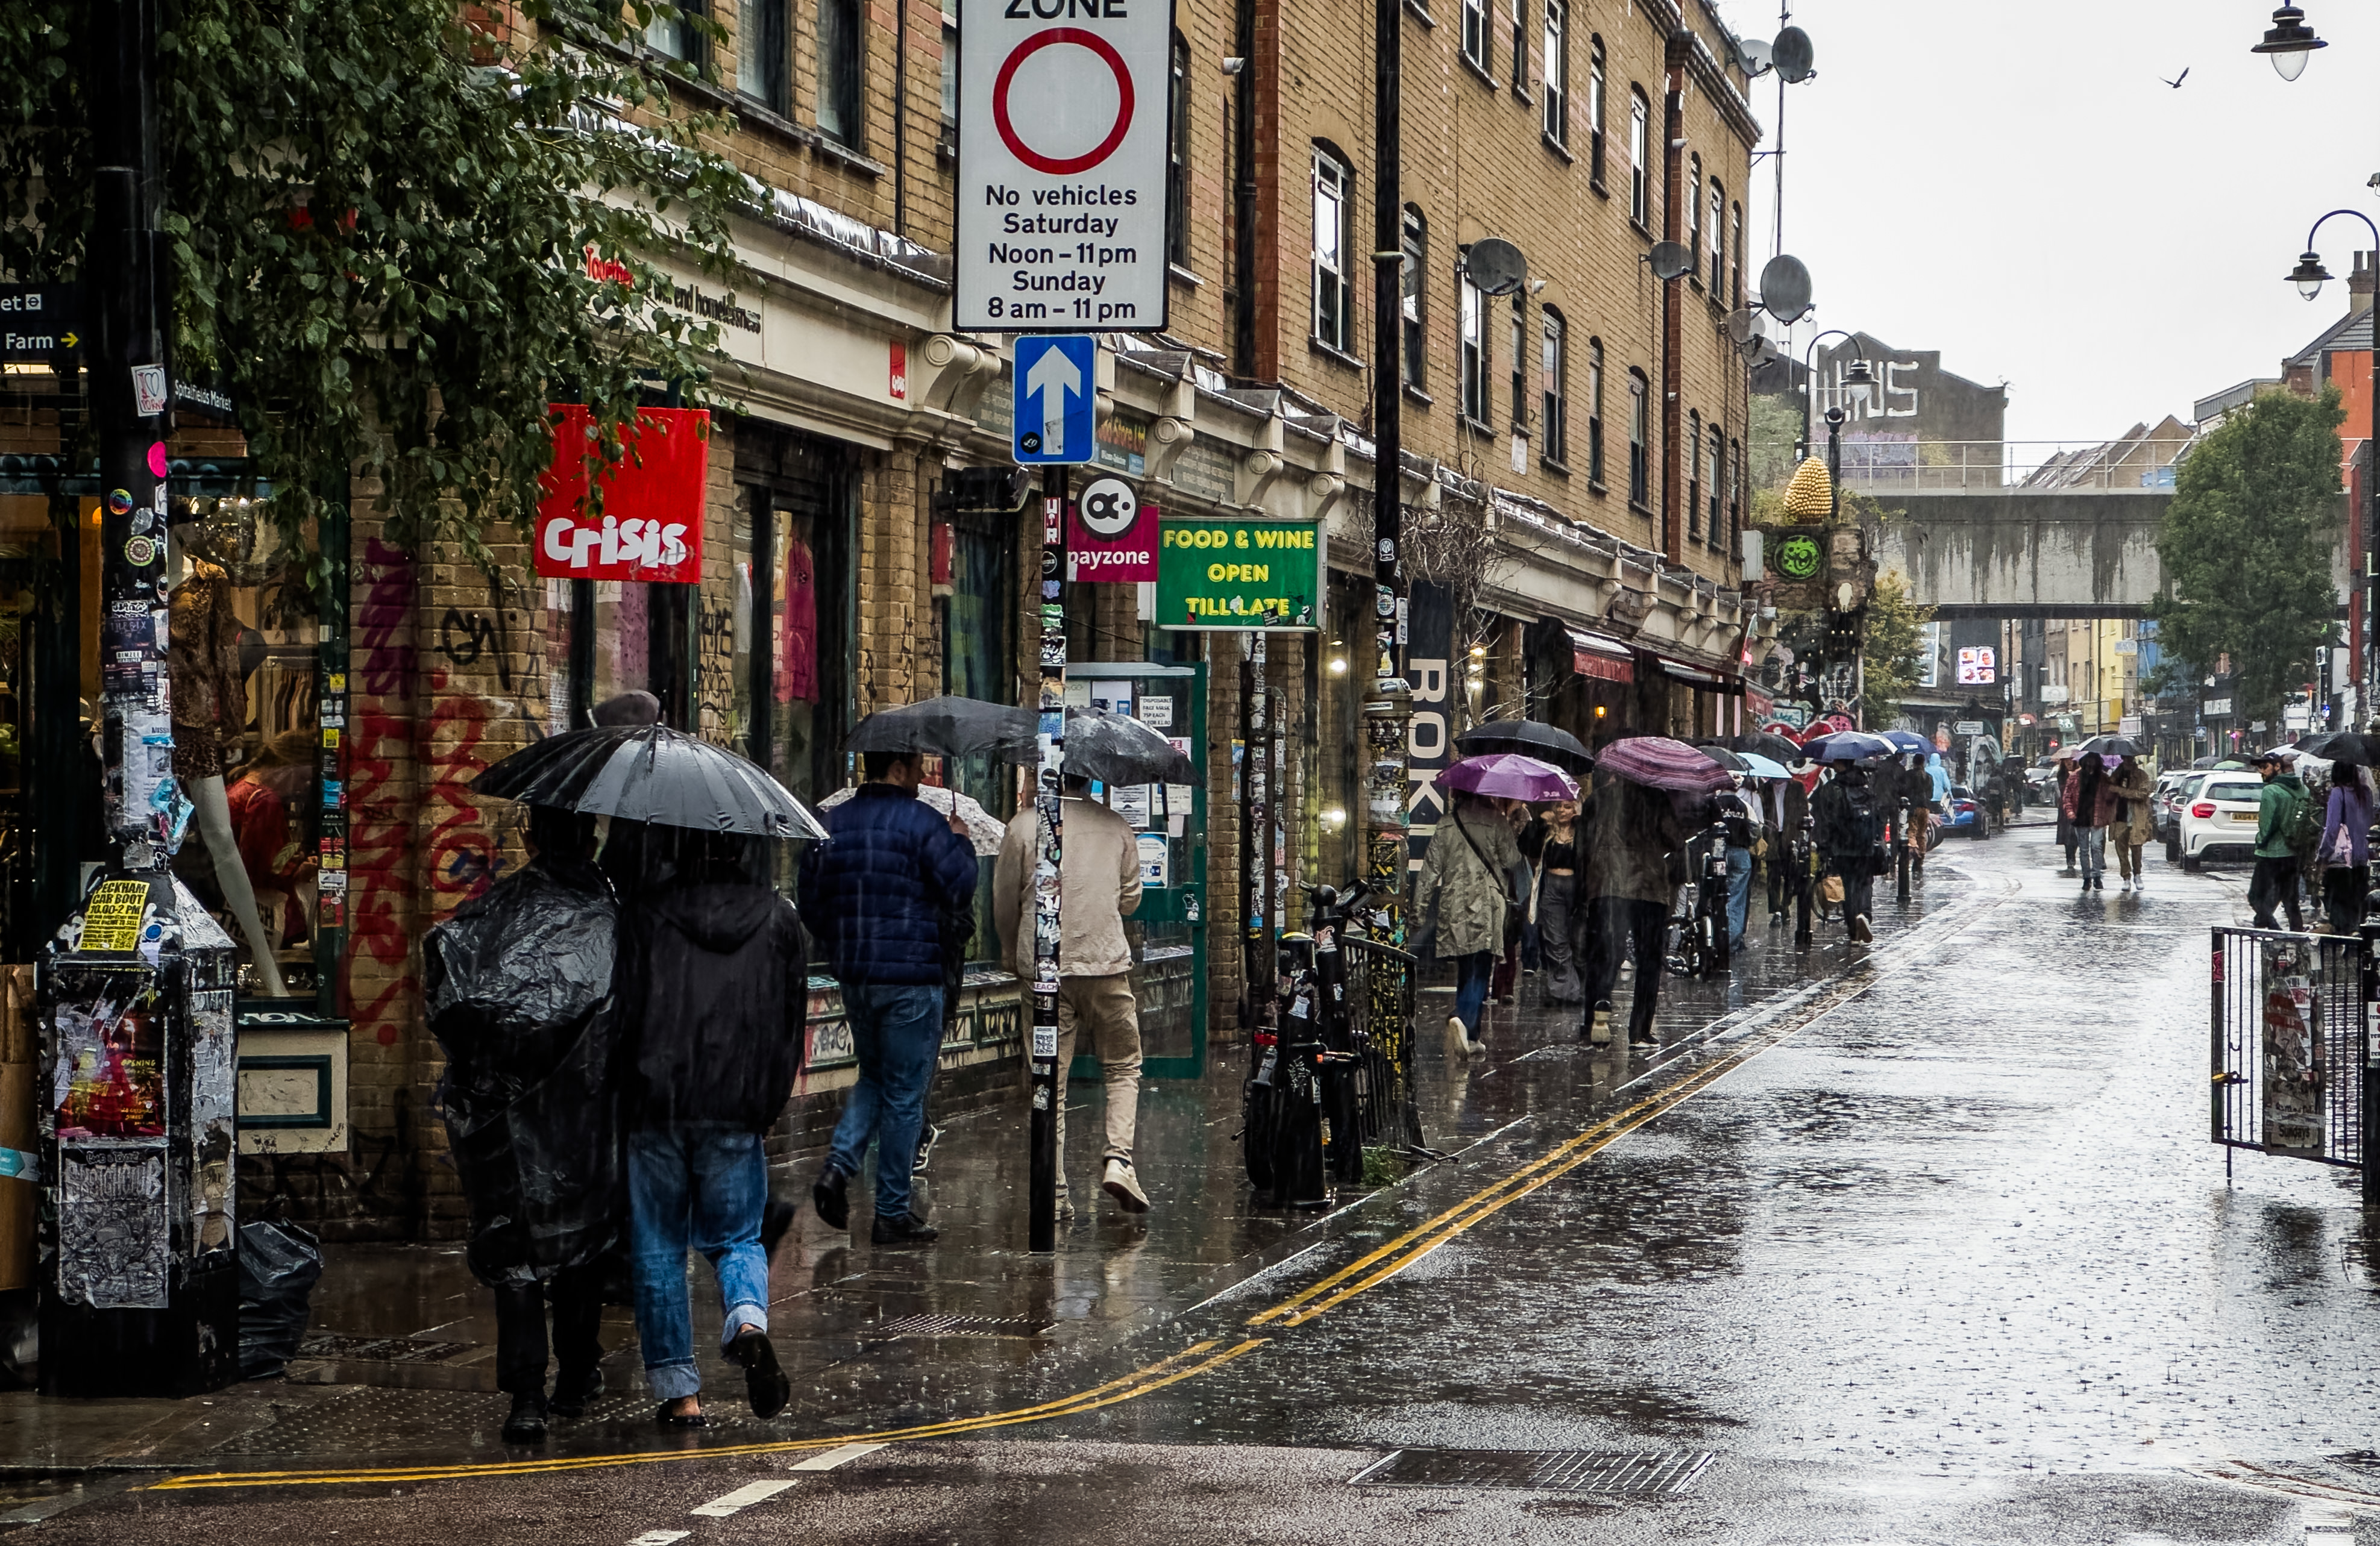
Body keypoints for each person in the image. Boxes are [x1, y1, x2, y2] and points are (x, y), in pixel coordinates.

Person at [425, 804, 623, 1445]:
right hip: (580, 1111)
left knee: (514, 1249)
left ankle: (528, 1394)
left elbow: (450, 996)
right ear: (590, 838)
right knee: (580, 1242)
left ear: (530, 837)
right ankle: (576, 1373)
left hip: (503, 1112)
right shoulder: (612, 915)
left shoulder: (490, 912)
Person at [615, 829, 808, 1430]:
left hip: (656, 1103)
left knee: (658, 1248)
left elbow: (622, 1014)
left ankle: (682, 1395)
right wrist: (765, 1105)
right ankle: (747, 1322)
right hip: (734, 1104)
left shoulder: (643, 914)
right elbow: (789, 1026)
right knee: (737, 1239)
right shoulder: (778, 919)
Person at [798, 751, 979, 1245]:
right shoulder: (923, 824)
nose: (922, 776)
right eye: (917, 767)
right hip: (911, 978)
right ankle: (891, 1213)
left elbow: (810, 903)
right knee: (904, 1093)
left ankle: (838, 1167)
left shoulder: (831, 825)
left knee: (875, 1076)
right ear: (897, 768)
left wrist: (845, 943)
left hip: (856, 975)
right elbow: (959, 891)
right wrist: (961, 843)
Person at [993, 774, 1151, 1219]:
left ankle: (1054, 1191)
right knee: (1122, 1065)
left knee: (1049, 1081)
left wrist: (1011, 951)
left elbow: (1004, 901)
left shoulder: (1024, 826)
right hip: (1104, 964)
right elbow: (1131, 900)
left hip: (1043, 970)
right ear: (1089, 777)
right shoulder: (1116, 826)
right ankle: (1119, 1160)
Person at [1578, 768, 1685, 1047]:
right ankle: (1639, 1030)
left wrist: (1584, 888)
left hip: (1607, 885)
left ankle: (1595, 1015)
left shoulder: (1598, 799)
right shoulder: (1657, 799)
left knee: (1604, 955)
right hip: (1648, 888)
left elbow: (1583, 845)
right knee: (1648, 959)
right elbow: (1675, 841)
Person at [1414, 787, 1522, 1058]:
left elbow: (1430, 871)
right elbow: (1511, 860)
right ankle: (1464, 1020)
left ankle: (1470, 1033)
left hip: (1454, 902)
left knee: (1466, 964)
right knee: (1481, 967)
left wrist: (1418, 911)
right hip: (1486, 902)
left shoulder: (1446, 824)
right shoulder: (1496, 821)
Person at [1812, 762, 1885, 943]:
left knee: (1849, 886)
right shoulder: (1866, 786)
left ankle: (1854, 932)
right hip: (1866, 845)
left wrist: (1824, 846)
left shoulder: (1831, 789)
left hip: (1842, 847)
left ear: (1839, 764)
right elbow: (1878, 816)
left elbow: (1825, 819)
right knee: (1866, 882)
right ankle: (1865, 915)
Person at [1530, 798, 1585, 1003]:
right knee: (1555, 939)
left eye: (1567, 807)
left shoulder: (1582, 831)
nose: (1562, 810)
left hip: (1576, 887)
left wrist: (1580, 822)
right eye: (1559, 806)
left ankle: (1580, 987)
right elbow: (1527, 847)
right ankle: (1561, 990)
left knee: (1579, 940)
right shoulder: (1548, 831)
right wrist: (1539, 822)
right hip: (1552, 886)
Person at [2249, 750, 2310, 931]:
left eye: (2264, 767)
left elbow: (2267, 825)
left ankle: (2275, 930)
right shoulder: (2303, 789)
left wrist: (2260, 842)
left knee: (2256, 897)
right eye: (2259, 768)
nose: (2261, 771)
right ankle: (2297, 936)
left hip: (2271, 853)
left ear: (2277, 767)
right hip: (2293, 852)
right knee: (2290, 900)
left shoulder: (2271, 791)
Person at [2321, 763, 2373, 935]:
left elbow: (2332, 828)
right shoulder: (2366, 793)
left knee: (2340, 907)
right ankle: (2357, 937)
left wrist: (2323, 854)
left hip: (2342, 859)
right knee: (2357, 904)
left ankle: (2343, 938)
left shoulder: (2338, 793)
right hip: (2363, 857)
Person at [2062, 752, 2118, 893]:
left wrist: (2113, 787)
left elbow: (2110, 798)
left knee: (2096, 846)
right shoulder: (2075, 777)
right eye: (2088, 761)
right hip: (2081, 817)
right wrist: (2070, 813)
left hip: (2098, 818)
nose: (2090, 764)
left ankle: (2097, 875)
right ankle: (2087, 877)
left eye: (2093, 761)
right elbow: (2067, 797)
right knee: (2084, 849)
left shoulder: (2103, 778)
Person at [2108, 754, 2155, 892]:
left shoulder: (2142, 775)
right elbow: (2109, 791)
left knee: (2136, 848)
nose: (2128, 761)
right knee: (2121, 850)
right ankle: (2126, 877)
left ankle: (2137, 874)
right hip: (2120, 817)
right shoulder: (2116, 775)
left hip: (2137, 817)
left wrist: (2122, 791)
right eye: (2125, 759)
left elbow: (2142, 794)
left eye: (2130, 759)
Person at [2054, 756, 2079, 872]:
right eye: (2066, 761)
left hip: (2077, 807)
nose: (2069, 763)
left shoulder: (2079, 774)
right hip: (2065, 808)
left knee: (2075, 834)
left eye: (2071, 761)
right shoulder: (2062, 775)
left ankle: (2073, 854)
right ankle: (2070, 858)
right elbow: (2063, 790)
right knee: (2067, 834)